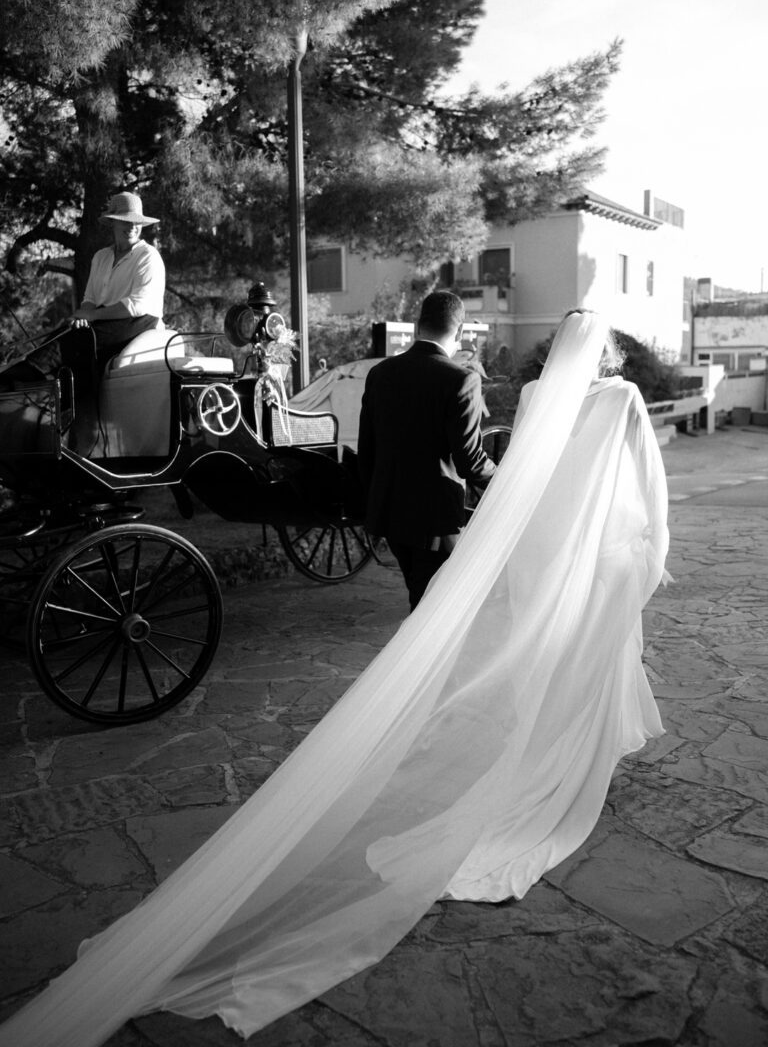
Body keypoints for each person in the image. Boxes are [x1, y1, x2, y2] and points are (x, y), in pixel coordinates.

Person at [0, 310, 669, 1047]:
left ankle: (449, 681)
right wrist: (639, 545)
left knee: (442, 617)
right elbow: (516, 463)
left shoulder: (445, 381)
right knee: (555, 646)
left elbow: (379, 448)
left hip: (423, 514)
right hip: (551, 537)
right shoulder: (598, 398)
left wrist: (387, 500)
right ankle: (525, 724)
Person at [357, 290, 496, 609]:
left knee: (423, 602)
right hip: (435, 521)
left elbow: (366, 450)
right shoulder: (461, 380)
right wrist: (504, 479)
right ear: (460, 332)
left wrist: (375, 501)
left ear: (418, 325)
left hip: (390, 514)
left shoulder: (380, 373)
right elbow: (470, 462)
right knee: (435, 611)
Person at [61, 191, 165, 451]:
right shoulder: (101, 257)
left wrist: (91, 317)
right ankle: (51, 402)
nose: (133, 227)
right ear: (113, 224)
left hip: (141, 322)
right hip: (106, 320)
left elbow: (137, 305)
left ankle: (84, 430)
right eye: (126, 221)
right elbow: (90, 299)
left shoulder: (148, 257)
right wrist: (82, 317)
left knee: (84, 342)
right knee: (67, 335)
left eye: (137, 222)